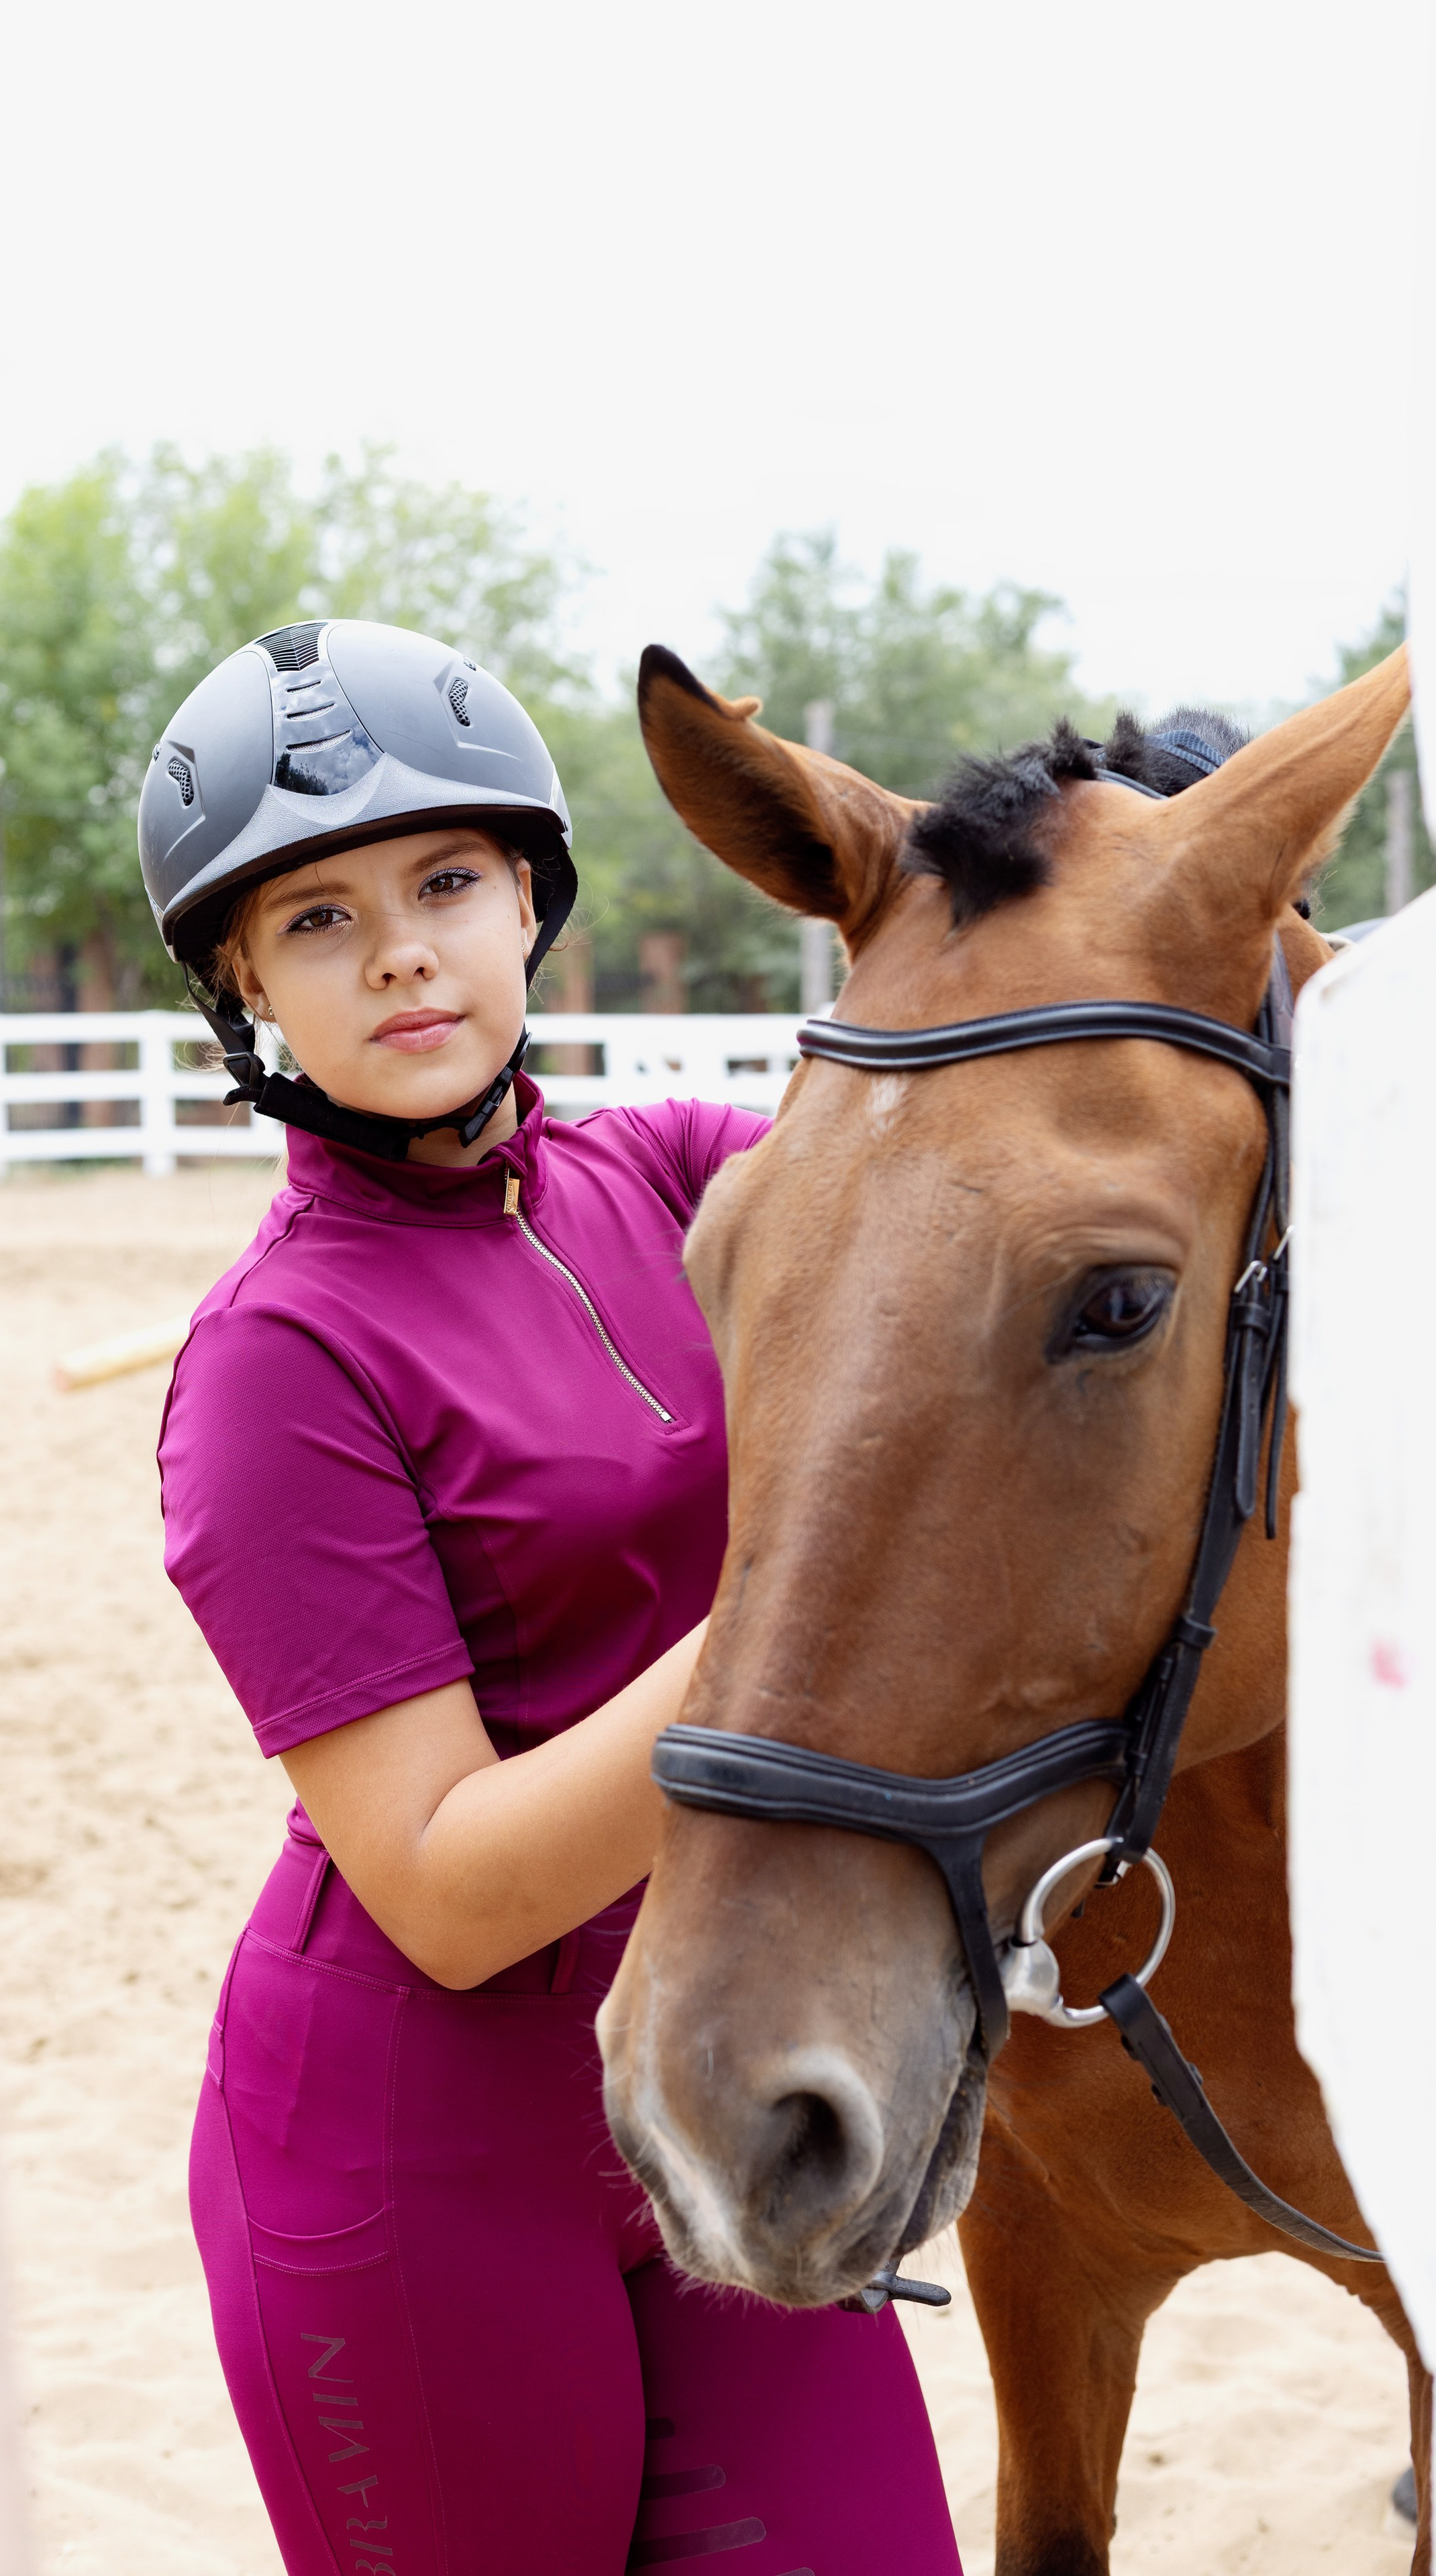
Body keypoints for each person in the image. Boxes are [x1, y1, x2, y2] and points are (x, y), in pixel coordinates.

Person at [141, 619, 960, 2575]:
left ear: (529, 897)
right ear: (247, 984)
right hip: (420, 2163)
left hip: (722, 2066)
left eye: (443, 882)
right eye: (319, 920)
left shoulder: (669, 1174)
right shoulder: (275, 1361)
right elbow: (439, 1881)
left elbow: (961, 1209)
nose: (405, 950)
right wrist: (788, 1621)